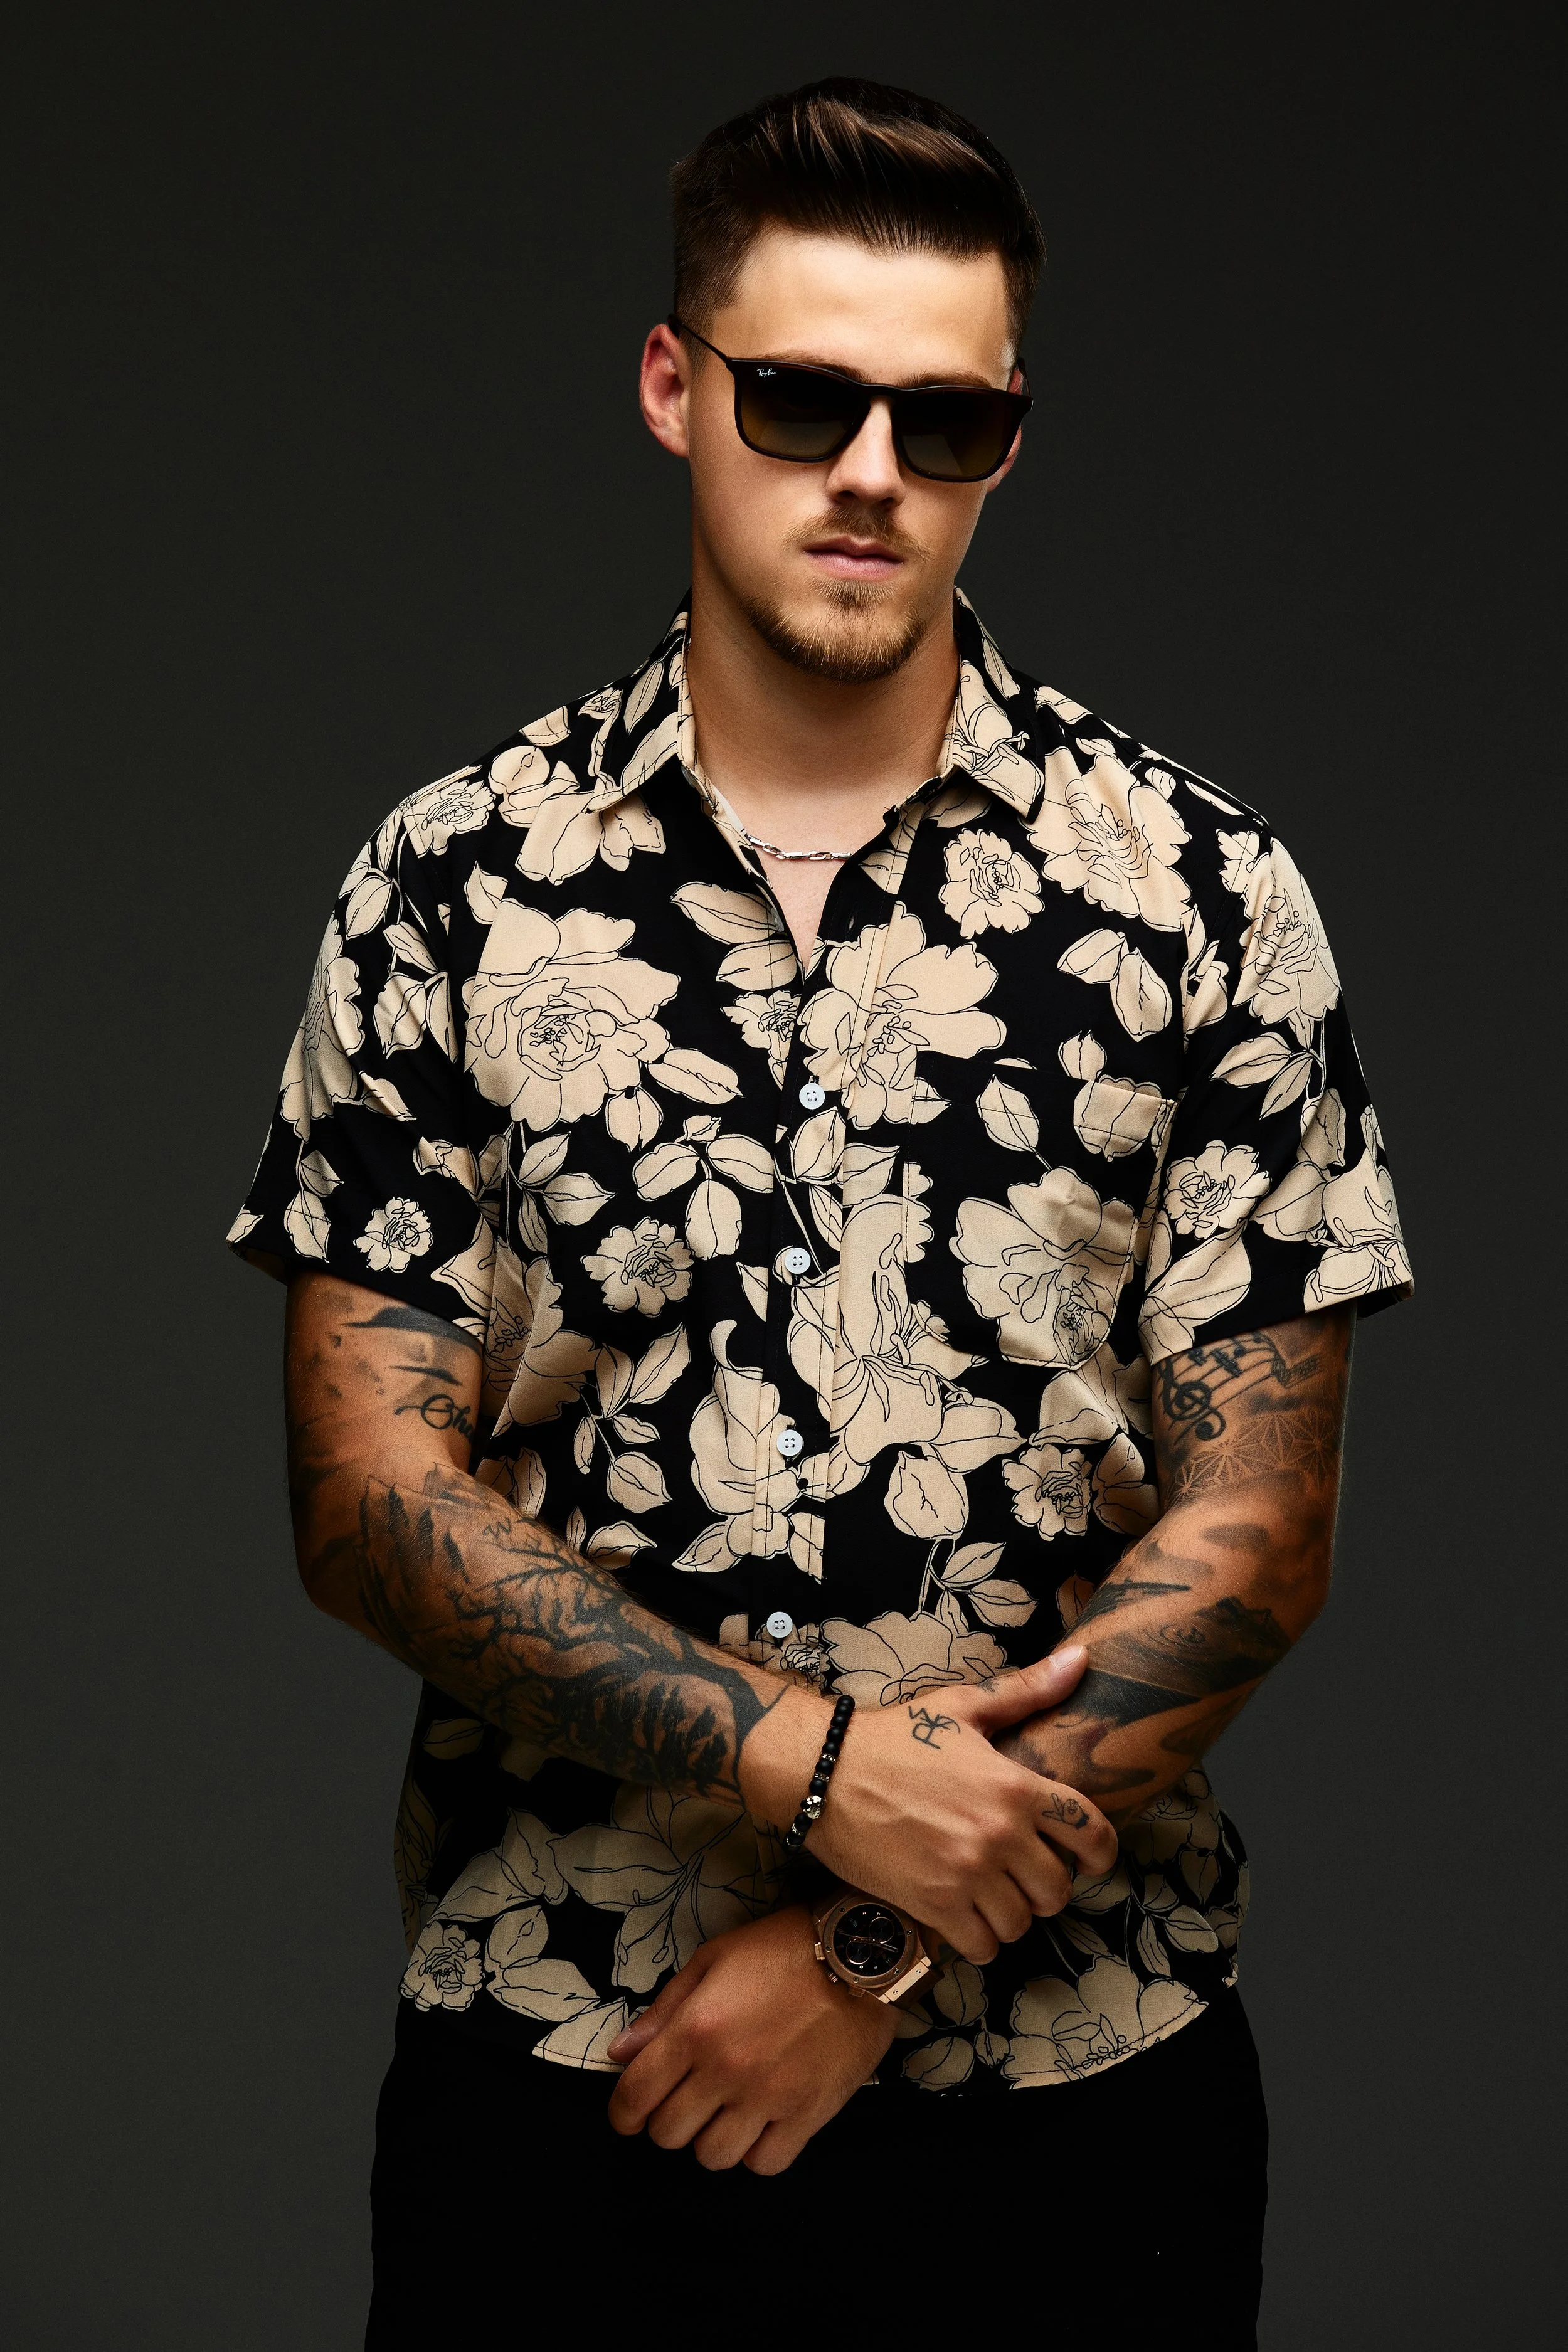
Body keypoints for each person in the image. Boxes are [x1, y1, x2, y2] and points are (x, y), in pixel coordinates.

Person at [228, 78, 1411, 2346]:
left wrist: (878, 1937)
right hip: (568, 2070)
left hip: (1085, 2094)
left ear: (1007, 440)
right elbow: (364, 1489)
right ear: (678, 390)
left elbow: (1257, 1535)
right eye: (802, 398)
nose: (868, 470)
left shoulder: (1200, 891)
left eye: (941, 421)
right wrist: (810, 1768)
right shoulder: (453, 884)